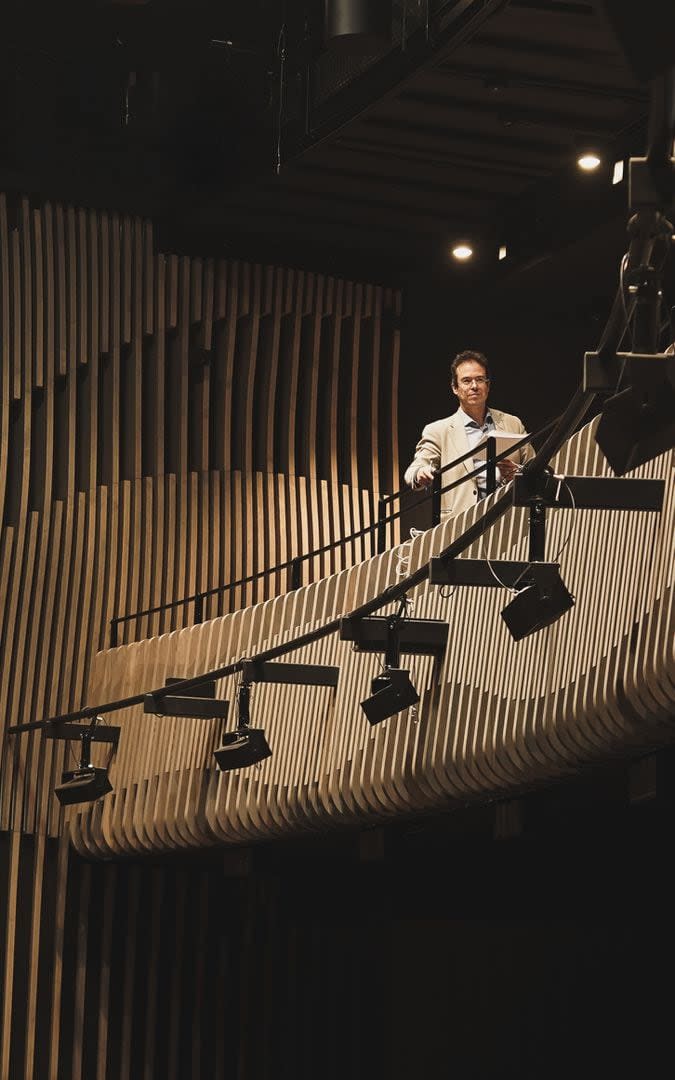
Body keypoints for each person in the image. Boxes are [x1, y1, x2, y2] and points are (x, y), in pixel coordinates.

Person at [404, 349, 534, 519]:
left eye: (480, 380)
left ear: (488, 385)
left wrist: (518, 472)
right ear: (455, 388)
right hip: (463, 524)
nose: (474, 386)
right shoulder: (438, 430)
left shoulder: (512, 424)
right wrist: (421, 473)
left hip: (508, 520)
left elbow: (535, 466)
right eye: (466, 381)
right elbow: (414, 470)